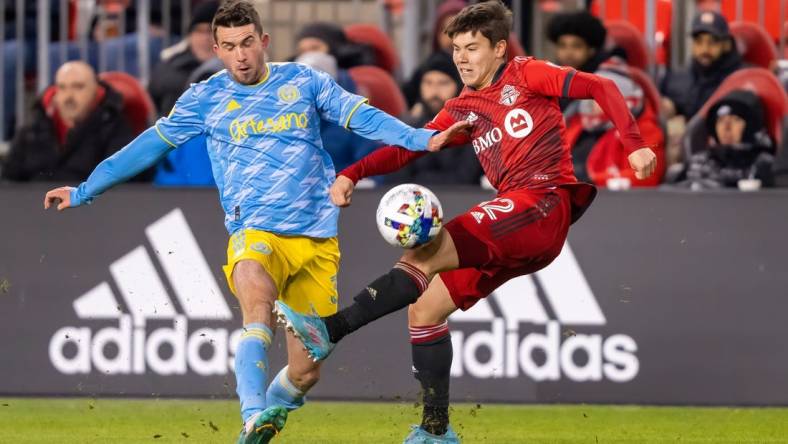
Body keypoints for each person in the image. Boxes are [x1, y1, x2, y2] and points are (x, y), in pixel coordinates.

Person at [42, 1, 466, 443]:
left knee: (305, 372)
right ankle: (251, 416)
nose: (240, 55)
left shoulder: (303, 81)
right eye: (228, 47)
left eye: (247, 43)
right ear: (216, 49)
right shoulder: (205, 98)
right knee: (255, 302)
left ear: (263, 42)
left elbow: (359, 116)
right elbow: (148, 146)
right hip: (254, 232)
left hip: (316, 238)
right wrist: (84, 190)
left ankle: (274, 410)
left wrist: (422, 137)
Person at [274, 1, 656, 442]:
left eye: (471, 48)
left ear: (498, 49)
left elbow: (602, 86)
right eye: (456, 48)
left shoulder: (526, 74)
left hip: (542, 203)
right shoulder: (464, 107)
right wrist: (352, 172)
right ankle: (436, 431)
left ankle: (330, 330)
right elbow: (412, 146)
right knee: (425, 308)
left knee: (425, 252)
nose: (461, 58)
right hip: (517, 217)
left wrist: (634, 144)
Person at [2, 61, 135, 181]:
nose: (69, 96)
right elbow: (8, 180)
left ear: (96, 91)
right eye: (62, 87)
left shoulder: (115, 129)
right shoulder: (30, 131)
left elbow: (120, 183)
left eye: (78, 87)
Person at [565, 63, 665, 187]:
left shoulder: (645, 131)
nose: (590, 103)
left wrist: (592, 182)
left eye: (598, 96)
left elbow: (646, 176)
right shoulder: (576, 124)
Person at [390, 51, 482, 185]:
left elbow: (465, 180)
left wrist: (420, 178)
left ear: (459, 86)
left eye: (443, 83)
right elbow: (397, 181)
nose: (434, 91)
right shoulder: (406, 128)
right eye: (428, 83)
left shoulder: (474, 130)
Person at [681, 90, 775, 189]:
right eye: (720, 121)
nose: (726, 128)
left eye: (735, 120)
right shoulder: (698, 163)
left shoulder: (764, 165)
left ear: (751, 126)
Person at [660, 10, 743, 120]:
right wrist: (668, 110)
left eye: (713, 42)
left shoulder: (740, 81)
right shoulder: (676, 77)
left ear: (726, 44)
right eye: (699, 41)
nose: (705, 49)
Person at [149, 1, 220, 116]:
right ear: (190, 35)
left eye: (211, 31)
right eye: (199, 31)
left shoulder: (236, 70)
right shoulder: (169, 68)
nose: (205, 38)